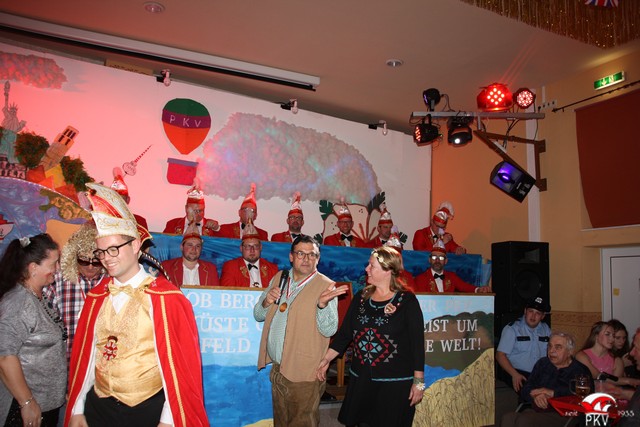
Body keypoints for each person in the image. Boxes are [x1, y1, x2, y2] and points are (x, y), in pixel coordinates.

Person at [65, 183, 208, 427]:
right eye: (101, 252)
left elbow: (181, 370)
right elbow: (87, 357)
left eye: (113, 249)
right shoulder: (96, 298)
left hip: (147, 412)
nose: (106, 258)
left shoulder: (167, 299)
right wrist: (78, 407)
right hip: (97, 408)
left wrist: (169, 419)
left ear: (134, 246)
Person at [316, 246, 425, 427]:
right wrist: (326, 359)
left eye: (372, 265)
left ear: (388, 270)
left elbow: (417, 345)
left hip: (395, 385)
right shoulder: (361, 298)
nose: (366, 269)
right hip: (362, 381)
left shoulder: (407, 301)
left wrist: (418, 383)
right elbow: (345, 334)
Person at [253, 235, 348, 426]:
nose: (306, 259)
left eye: (312, 255)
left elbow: (329, 330)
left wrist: (322, 305)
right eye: (301, 254)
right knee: (281, 422)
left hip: (304, 372)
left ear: (318, 259)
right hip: (278, 368)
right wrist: (266, 301)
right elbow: (258, 315)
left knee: (302, 423)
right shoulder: (280, 278)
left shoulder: (326, 286)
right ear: (291, 256)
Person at [0, 233, 66, 427]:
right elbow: (4, 356)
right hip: (24, 409)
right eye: (53, 263)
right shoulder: (19, 302)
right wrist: (27, 402)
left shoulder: (38, 296)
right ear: (33, 268)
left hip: (44, 404)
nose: (58, 268)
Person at [44, 222, 107, 363]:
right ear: (74, 256)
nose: (90, 267)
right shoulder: (58, 281)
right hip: (68, 360)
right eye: (83, 260)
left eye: (96, 262)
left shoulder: (112, 282)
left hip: (102, 362)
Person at [501, 331, 592, 427]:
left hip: (564, 414)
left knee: (524, 421)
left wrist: (553, 393)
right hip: (537, 410)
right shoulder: (542, 363)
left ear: (570, 351)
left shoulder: (579, 370)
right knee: (508, 418)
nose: (551, 351)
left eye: (558, 347)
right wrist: (535, 396)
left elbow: (586, 397)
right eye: (550, 346)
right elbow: (526, 388)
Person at [496, 297, 552, 392]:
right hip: (517, 372)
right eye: (531, 311)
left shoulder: (546, 329)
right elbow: (500, 355)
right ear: (525, 311)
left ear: (543, 316)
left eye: (538, 313)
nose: (533, 316)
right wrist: (514, 374)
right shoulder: (512, 329)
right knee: (534, 394)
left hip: (539, 374)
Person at [414, 240, 490, 293]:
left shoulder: (452, 276)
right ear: (429, 260)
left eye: (441, 258)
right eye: (434, 257)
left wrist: (478, 289)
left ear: (446, 261)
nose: (437, 260)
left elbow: (464, 286)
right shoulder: (420, 279)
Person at [220, 221, 278, 288]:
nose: (252, 250)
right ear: (241, 248)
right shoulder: (231, 267)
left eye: (255, 246)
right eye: (248, 246)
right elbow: (227, 291)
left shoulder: (272, 268)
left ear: (260, 248)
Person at [604, 328, 640, 426]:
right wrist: (625, 393)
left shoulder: (618, 359)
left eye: (636, 348)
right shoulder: (583, 355)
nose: (631, 353)